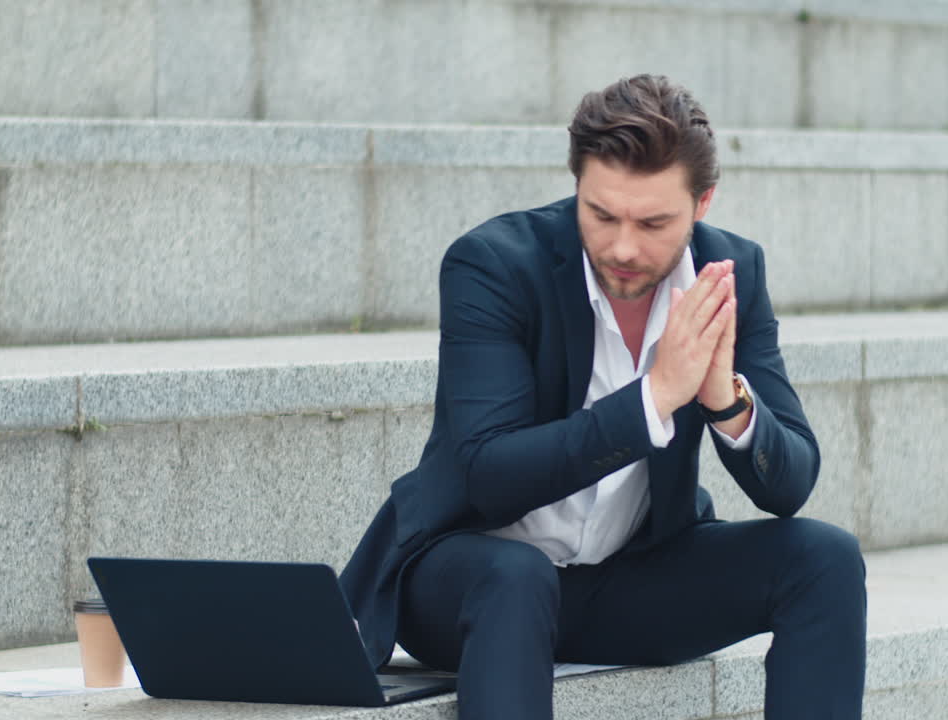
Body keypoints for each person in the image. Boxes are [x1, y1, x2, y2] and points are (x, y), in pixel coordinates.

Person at [340, 74, 866, 719]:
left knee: (823, 558)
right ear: (578, 188)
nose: (622, 246)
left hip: (626, 580)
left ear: (703, 204)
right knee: (516, 575)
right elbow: (488, 475)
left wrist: (724, 399)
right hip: (468, 585)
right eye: (601, 214)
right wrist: (655, 398)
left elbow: (787, 485)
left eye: (653, 222)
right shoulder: (495, 265)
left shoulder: (729, 273)